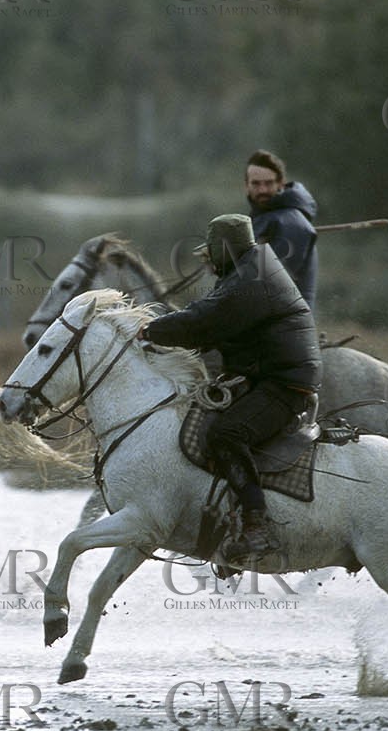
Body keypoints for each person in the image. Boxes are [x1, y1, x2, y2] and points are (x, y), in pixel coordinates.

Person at [136, 214, 320, 565]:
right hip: (268, 376)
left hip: (284, 384)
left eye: (210, 252)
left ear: (225, 249)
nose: (205, 260)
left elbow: (204, 320)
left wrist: (151, 331)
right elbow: (209, 321)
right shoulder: (248, 269)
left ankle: (257, 527)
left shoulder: (250, 278)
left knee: (226, 434)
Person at [245, 149, 319, 308]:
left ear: (281, 184)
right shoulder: (263, 219)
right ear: (246, 185)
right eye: (256, 183)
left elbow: (270, 286)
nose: (262, 190)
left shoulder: (291, 222)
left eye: (269, 183)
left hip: (285, 327)